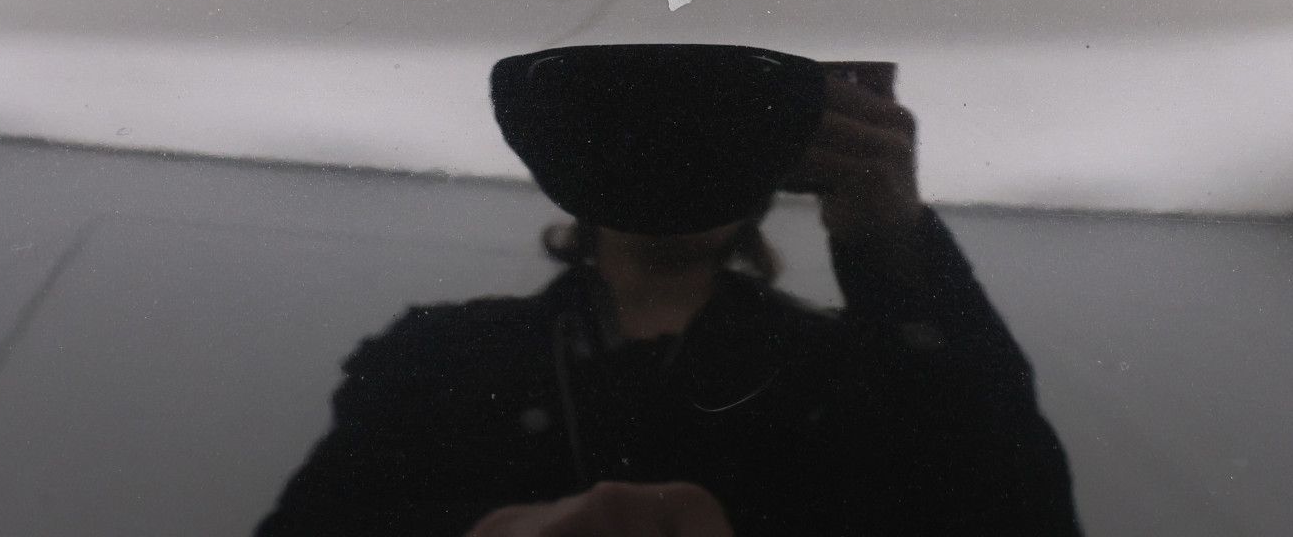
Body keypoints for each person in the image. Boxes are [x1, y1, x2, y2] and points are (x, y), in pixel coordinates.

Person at [255, 62, 1080, 536]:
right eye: (643, 122)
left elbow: (1016, 516)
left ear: (771, 160)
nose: (675, 157)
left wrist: (889, 236)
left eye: (713, 127)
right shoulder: (439, 352)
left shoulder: (845, 366)